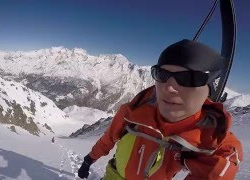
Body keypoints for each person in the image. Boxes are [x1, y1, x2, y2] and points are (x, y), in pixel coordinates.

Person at [77, 39, 243, 180]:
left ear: (211, 88)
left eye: (187, 78)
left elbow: (222, 166)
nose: (169, 88)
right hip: (114, 175)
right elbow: (108, 139)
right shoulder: (132, 112)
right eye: (162, 75)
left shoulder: (213, 140)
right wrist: (89, 159)